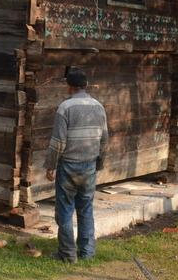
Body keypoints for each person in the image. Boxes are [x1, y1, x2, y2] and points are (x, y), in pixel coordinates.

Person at [44, 68, 108, 263]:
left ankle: (67, 254)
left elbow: (58, 142)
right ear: (86, 85)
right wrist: (100, 163)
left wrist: (50, 166)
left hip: (68, 166)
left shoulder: (65, 107)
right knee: (86, 208)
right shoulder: (99, 107)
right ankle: (87, 253)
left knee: (64, 210)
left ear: (69, 86)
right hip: (89, 166)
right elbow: (104, 140)